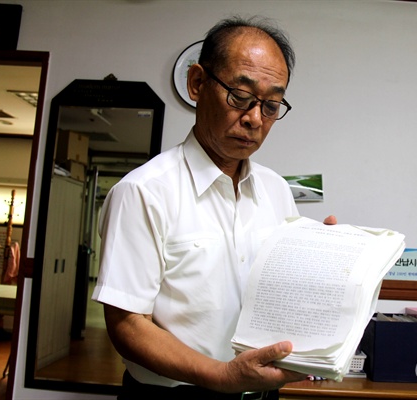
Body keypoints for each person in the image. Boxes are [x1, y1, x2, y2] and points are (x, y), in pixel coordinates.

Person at [92, 15, 336, 400]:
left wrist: (325, 265)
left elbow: (278, 293)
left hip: (262, 394)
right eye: (240, 97)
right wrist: (222, 376)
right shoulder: (144, 191)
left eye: (271, 105)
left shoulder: (276, 190)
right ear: (197, 83)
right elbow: (127, 325)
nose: (255, 118)